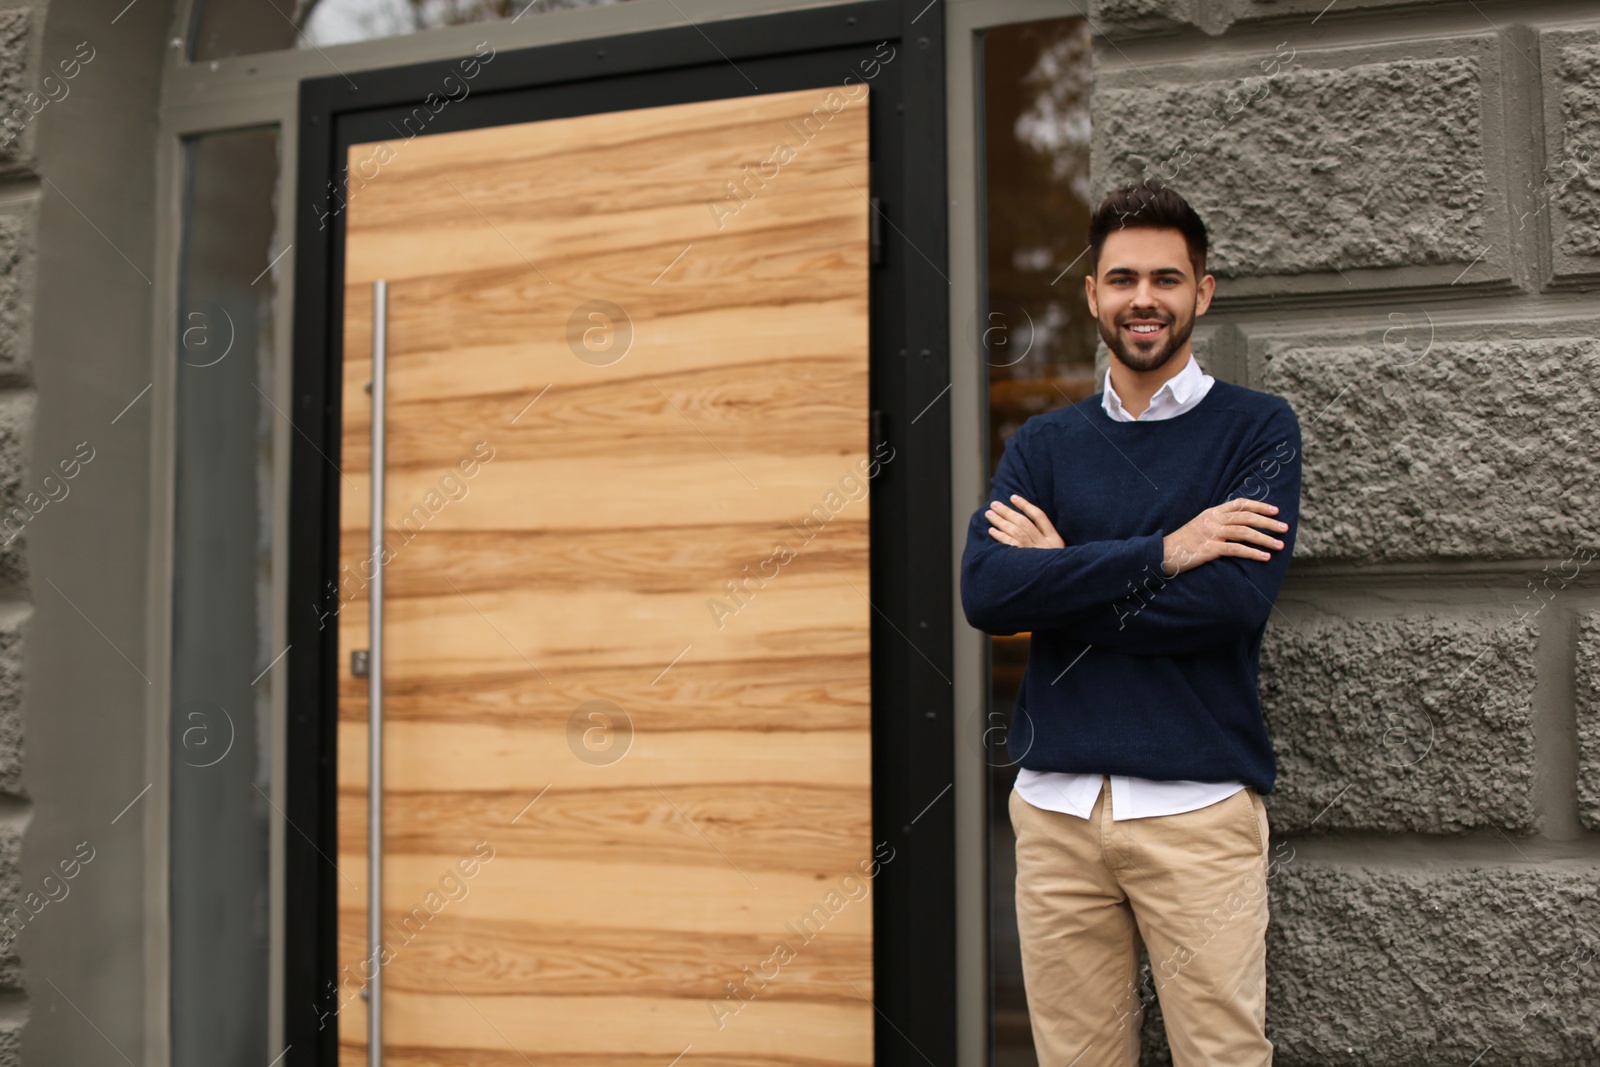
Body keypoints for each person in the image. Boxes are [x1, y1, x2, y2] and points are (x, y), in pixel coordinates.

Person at [960, 180, 1302, 1067]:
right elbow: (990, 595)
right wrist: (1165, 551)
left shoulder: (1257, 432)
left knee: (1222, 1056)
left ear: (1203, 291)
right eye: (1121, 279)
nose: (1142, 298)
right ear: (1091, 295)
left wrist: (1061, 574)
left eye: (1165, 278)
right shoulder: (1042, 444)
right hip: (1055, 811)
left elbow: (1230, 604)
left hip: (1196, 811)